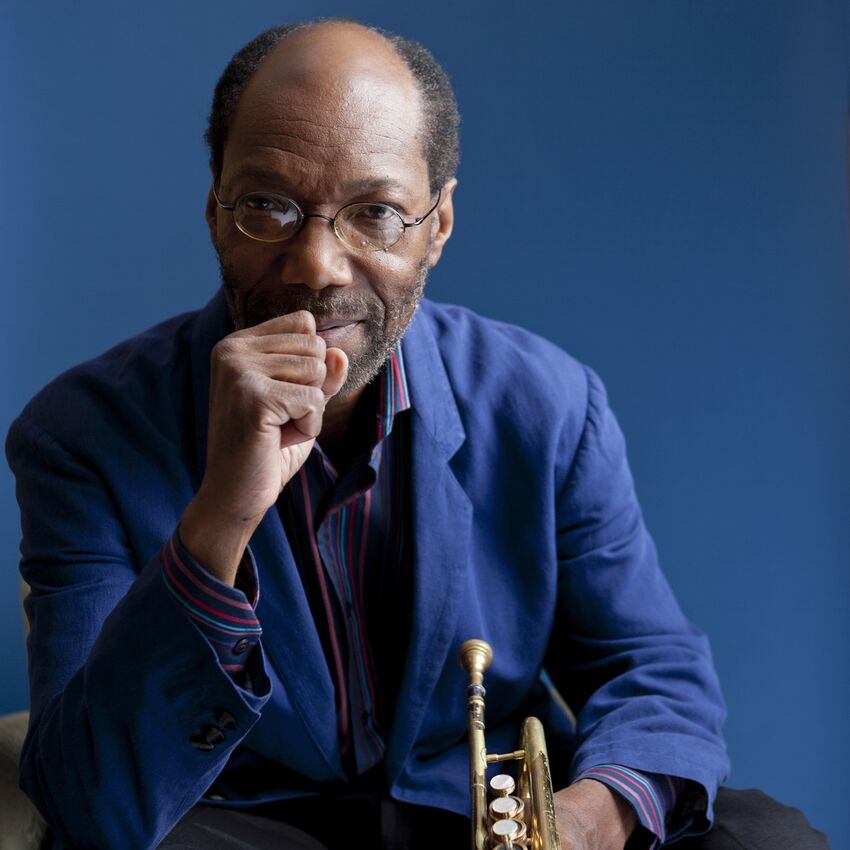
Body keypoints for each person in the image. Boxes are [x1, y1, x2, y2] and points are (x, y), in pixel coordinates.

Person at [6, 18, 829, 850]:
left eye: (376, 213)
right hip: (245, 824)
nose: (318, 266)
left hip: (474, 816)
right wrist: (221, 514)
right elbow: (87, 800)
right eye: (268, 205)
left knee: (768, 838)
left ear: (438, 225)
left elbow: (652, 672)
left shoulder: (546, 402)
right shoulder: (80, 435)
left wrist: (584, 820)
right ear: (215, 209)